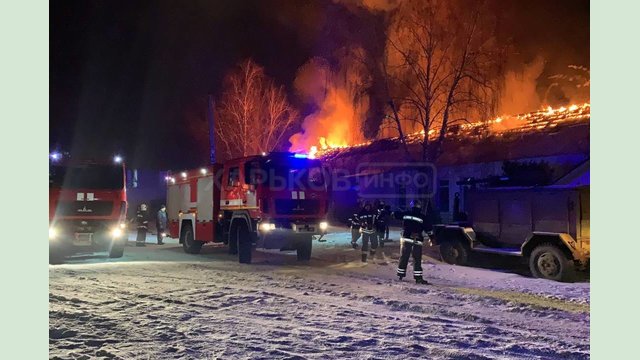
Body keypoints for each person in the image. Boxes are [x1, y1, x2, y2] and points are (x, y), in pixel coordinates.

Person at [393, 199, 432, 284]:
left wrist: (389, 211)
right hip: (417, 240)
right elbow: (429, 228)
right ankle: (418, 278)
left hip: (406, 238)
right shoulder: (423, 217)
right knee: (417, 259)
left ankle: (401, 275)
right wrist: (432, 237)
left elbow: (395, 215)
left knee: (404, 257)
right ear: (420, 206)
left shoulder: (406, 213)